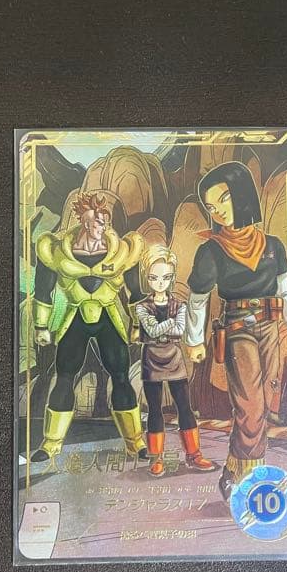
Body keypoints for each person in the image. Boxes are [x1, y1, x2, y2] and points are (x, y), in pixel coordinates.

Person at [185, 161, 287, 499]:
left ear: (242, 194)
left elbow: (284, 293)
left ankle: (235, 468)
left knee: (264, 404)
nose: (218, 211)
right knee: (251, 406)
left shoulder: (273, 246)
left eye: (224, 198)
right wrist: (194, 340)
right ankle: (250, 477)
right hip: (237, 329)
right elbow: (198, 298)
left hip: (271, 328)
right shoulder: (211, 250)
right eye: (211, 206)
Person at [31, 192, 147, 461]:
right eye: (97, 222)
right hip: (75, 317)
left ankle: (135, 442)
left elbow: (135, 290)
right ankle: (51, 444)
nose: (101, 228)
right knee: (64, 376)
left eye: (104, 222)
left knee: (120, 376)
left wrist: (137, 324)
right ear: (84, 222)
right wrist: (40, 325)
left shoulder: (123, 250)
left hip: (109, 317)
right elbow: (43, 290)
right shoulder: (56, 250)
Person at [135, 245, 216, 477]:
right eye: (154, 277)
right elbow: (153, 330)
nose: (160, 283)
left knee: (184, 407)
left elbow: (179, 330)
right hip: (151, 359)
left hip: (174, 357)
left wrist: (162, 328)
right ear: (146, 278)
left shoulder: (180, 304)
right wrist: (168, 325)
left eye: (165, 277)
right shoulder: (142, 306)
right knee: (154, 410)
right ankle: (156, 458)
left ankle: (194, 454)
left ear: (171, 277)